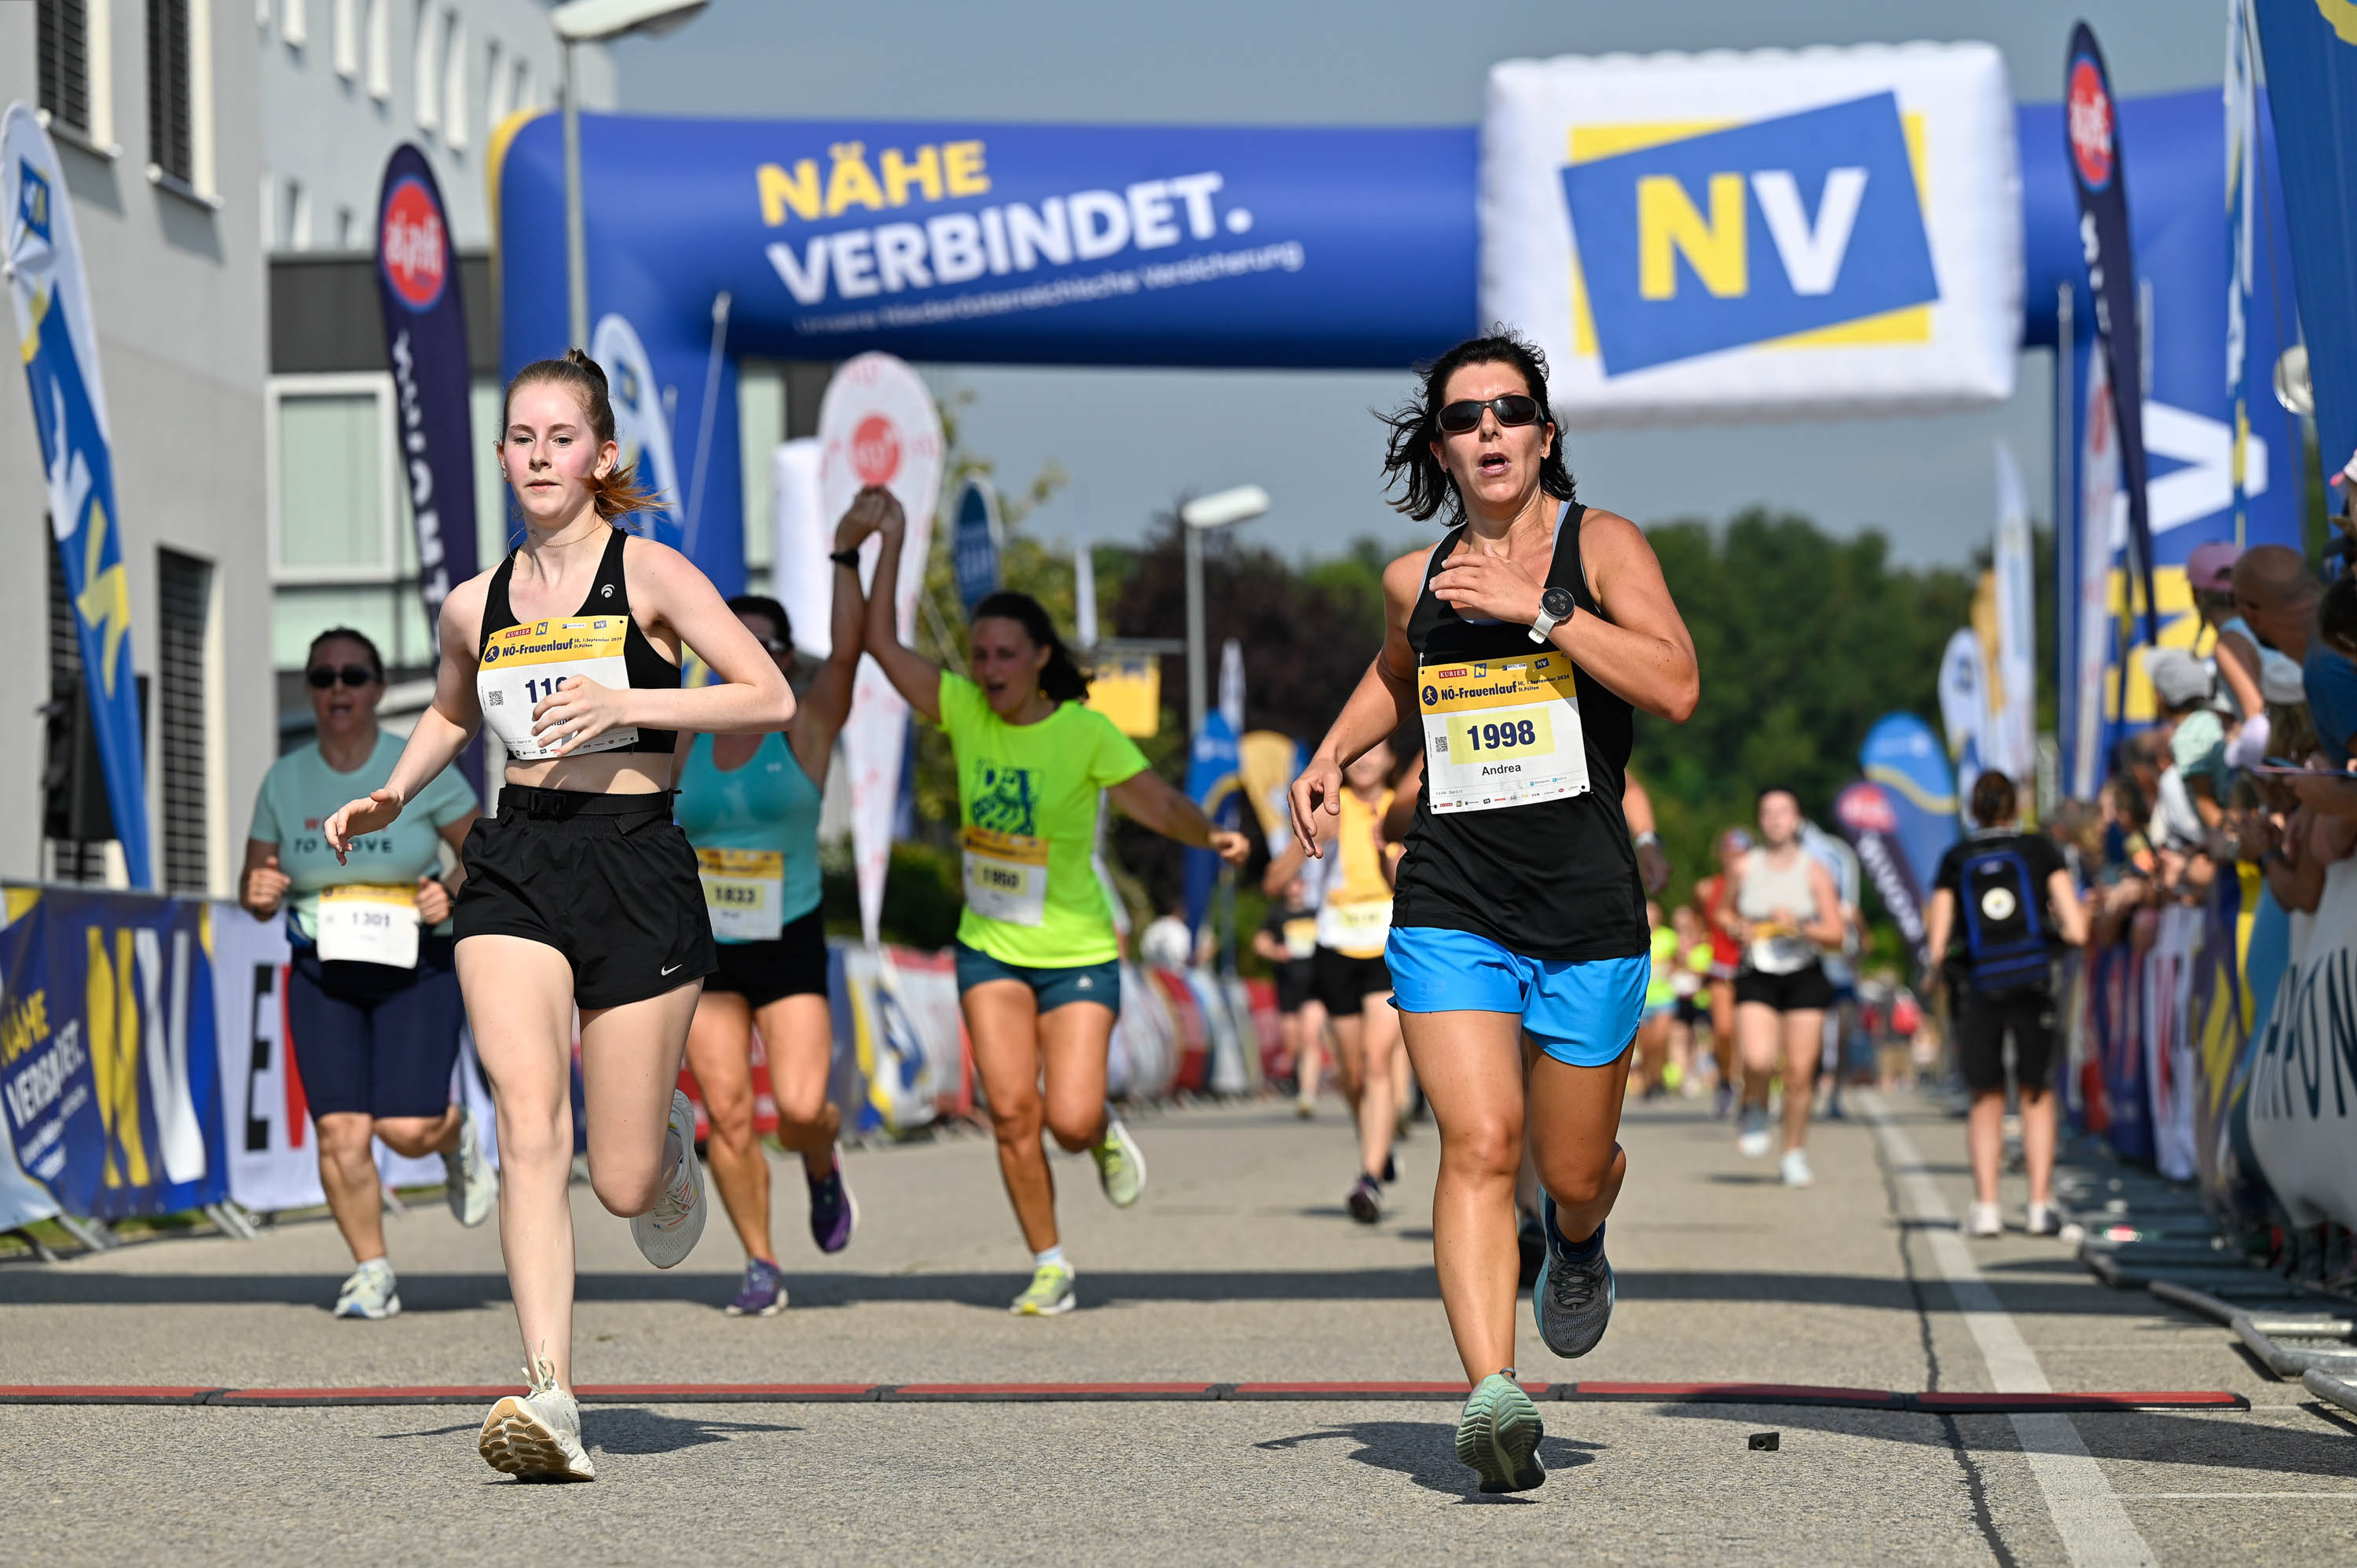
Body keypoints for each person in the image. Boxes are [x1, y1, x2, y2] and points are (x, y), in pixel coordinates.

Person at [322, 350, 795, 1482]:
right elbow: (451, 713)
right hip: (517, 862)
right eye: (523, 439)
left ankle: (664, 1137)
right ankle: (551, 1394)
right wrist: (395, 788)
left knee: (622, 1184)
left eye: (562, 438)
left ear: (601, 455)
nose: (541, 456)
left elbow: (768, 695)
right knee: (530, 1126)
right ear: (502, 457)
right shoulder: (474, 603)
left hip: (637, 863)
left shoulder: (653, 574)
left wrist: (627, 697)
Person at [1290, 330, 1698, 1493]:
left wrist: (1540, 608)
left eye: (1510, 410)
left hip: (1586, 906)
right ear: (1441, 448)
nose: (1489, 431)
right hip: (1452, 897)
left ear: (1544, 433)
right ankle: (1494, 1395)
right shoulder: (1412, 581)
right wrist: (1329, 753)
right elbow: (1395, 674)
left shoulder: (1602, 545)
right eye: (1465, 417)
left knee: (1572, 1169)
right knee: (1478, 1141)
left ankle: (1579, 1241)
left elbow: (1674, 684)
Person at [859, 492, 1250, 1316]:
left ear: (1040, 657)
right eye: (980, 655)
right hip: (989, 948)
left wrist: (1209, 834)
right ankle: (1049, 1263)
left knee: (1067, 1119)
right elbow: (883, 646)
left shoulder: (1084, 731)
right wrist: (882, 545)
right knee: (1011, 1113)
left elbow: (1156, 802)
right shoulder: (965, 710)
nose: (989, 668)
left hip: (1076, 951)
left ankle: (1098, 1132)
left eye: (1006, 654)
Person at [240, 628, 493, 1321]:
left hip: (417, 964)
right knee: (341, 1132)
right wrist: (259, 891)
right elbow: (255, 885)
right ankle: (371, 1271)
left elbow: (482, 854)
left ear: (378, 689)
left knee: (405, 1128)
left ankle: (453, 1135)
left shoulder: (413, 764)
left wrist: (450, 889)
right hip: (322, 970)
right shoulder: (285, 780)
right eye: (323, 678)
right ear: (310, 692)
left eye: (353, 676)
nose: (338, 689)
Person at [672, 567, 867, 1320]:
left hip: (789, 939)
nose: (743, 654)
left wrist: (849, 558)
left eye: (761, 644)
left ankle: (819, 1159)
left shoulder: (804, 728)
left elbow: (847, 656)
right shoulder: (685, 732)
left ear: (783, 658)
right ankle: (760, 1261)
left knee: (800, 1109)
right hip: (709, 948)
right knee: (725, 1113)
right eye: (731, 640)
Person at [1923, 771, 2088, 1237]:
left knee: (1986, 1097)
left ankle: (1987, 1206)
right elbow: (2077, 929)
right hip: (2035, 982)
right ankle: (2039, 1205)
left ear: (1972, 810)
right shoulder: (2038, 850)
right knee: (2037, 1094)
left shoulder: (1957, 858)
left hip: (1980, 986)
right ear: (2016, 806)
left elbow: (1936, 945)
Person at [1268, 737, 1407, 1223]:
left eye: (1377, 752)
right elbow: (1273, 881)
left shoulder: (1401, 808)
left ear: (1391, 760)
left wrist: (1388, 850)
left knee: (1377, 1061)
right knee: (1351, 1073)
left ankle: (1369, 1178)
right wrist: (1308, 841)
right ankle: (1378, 1144)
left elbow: (1407, 881)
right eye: (1359, 754)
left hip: (1387, 945)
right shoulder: (1330, 808)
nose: (1366, 761)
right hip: (1335, 946)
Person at [1728, 788, 1846, 1184]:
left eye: (1784, 811)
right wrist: (1737, 926)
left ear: (1797, 820)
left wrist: (1799, 926)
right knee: (1758, 1059)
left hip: (1804, 973)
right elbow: (1724, 913)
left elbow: (1836, 934)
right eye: (1768, 812)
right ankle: (1755, 1104)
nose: (1776, 819)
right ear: (1760, 820)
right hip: (1757, 971)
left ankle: (1794, 1151)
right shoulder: (1744, 866)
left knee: (1798, 1072)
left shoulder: (1815, 870)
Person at [1249, 875, 1325, 1117]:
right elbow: (1259, 943)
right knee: (1292, 1041)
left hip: (1314, 986)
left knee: (1311, 1037)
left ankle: (1307, 1095)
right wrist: (1276, 952)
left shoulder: (1317, 913)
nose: (1295, 890)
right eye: (1290, 885)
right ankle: (1296, 1076)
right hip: (1288, 985)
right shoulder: (1277, 915)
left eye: (1299, 884)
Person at [1693, 828, 1751, 1118]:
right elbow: (1699, 922)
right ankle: (1726, 1080)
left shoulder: (1759, 887)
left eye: (1741, 855)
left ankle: (1747, 1089)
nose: (1735, 860)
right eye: (1730, 855)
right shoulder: (1707, 889)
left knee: (1747, 1033)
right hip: (1721, 966)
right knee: (1724, 1031)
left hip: (1752, 966)